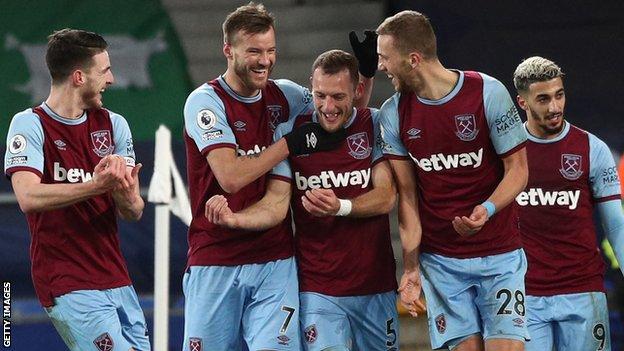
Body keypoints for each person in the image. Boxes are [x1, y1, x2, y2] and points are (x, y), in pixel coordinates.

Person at [182, 3, 352, 350]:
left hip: (275, 259)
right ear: (228, 50)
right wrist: (287, 144)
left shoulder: (285, 95)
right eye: (254, 52)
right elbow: (230, 176)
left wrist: (361, 76)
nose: (265, 61)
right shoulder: (205, 102)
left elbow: (336, 110)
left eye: (271, 51)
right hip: (216, 257)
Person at [205, 49, 399, 351]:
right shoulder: (291, 132)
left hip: (376, 284)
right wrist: (235, 218)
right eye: (320, 95)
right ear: (311, 86)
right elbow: (276, 203)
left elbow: (387, 196)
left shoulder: (373, 124)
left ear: (357, 91)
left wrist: (340, 207)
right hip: (317, 290)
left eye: (337, 97)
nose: (327, 106)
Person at [375, 11, 529, 351]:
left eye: (385, 58)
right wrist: (411, 268)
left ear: (413, 59)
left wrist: (486, 210)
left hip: (499, 253)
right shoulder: (393, 113)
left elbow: (518, 169)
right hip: (442, 263)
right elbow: (409, 197)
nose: (381, 66)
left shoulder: (487, 93)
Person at [4, 29, 148, 351]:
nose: (111, 79)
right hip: (67, 281)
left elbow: (134, 211)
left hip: (117, 278)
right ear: (80, 77)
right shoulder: (29, 124)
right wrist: (95, 185)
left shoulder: (114, 126)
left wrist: (125, 194)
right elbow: (28, 197)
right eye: (105, 70)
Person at [512, 56, 624, 351]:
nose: (554, 107)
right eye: (543, 99)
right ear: (522, 102)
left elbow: (616, 225)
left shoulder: (592, 148)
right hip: (526, 295)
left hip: (583, 291)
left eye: (559, 95)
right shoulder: (507, 152)